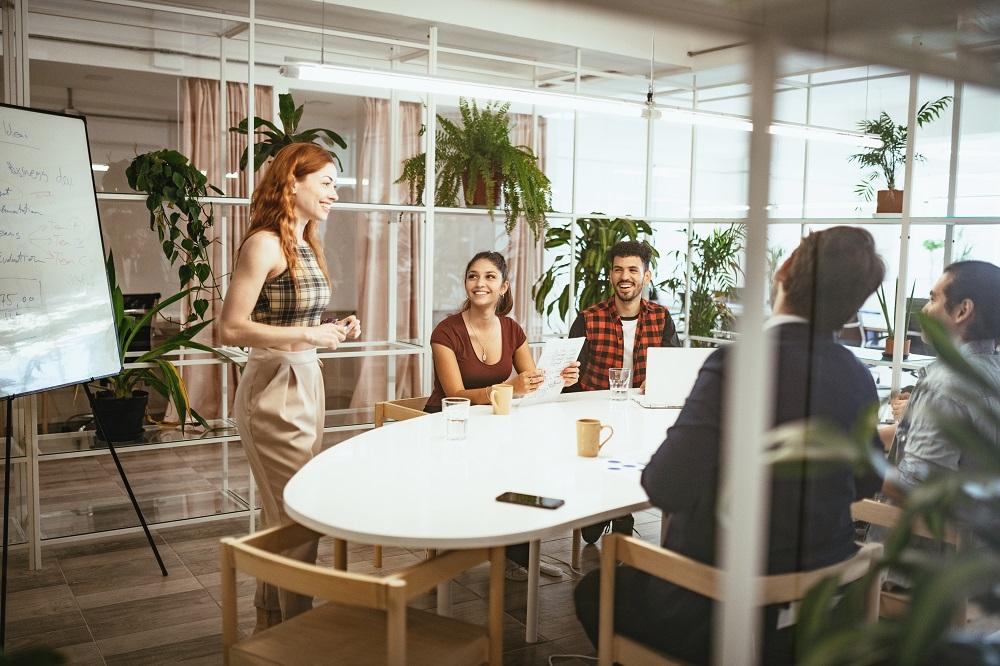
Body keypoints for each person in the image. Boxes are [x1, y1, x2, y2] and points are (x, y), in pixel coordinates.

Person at [574, 226, 886, 664]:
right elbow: (866, 478)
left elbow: (664, 486)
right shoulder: (856, 374)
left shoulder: (739, 363)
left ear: (782, 273)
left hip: (719, 608)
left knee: (595, 589)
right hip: (818, 611)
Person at [219, 143, 361, 631]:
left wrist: (332, 326)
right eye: (326, 183)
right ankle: (299, 634)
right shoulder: (263, 243)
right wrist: (309, 334)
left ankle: (273, 625)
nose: (335, 195)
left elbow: (293, 314)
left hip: (305, 378)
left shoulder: (304, 241)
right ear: (293, 183)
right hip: (274, 385)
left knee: (286, 512)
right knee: (299, 512)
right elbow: (231, 328)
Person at [427, 251, 579, 580]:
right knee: (494, 469)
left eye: (489, 277)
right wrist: (509, 387)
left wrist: (559, 378)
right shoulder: (445, 332)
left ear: (504, 287)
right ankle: (462, 551)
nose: (480, 283)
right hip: (448, 423)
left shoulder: (512, 329)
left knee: (528, 466)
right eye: (473, 276)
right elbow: (455, 394)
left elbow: (531, 383)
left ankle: (519, 556)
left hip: (493, 421)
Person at [567, 240, 680, 544]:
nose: (624, 276)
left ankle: (619, 512)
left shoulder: (661, 317)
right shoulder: (589, 318)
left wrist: (657, 382)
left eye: (633, 269)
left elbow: (672, 367)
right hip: (596, 413)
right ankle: (602, 509)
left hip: (640, 413)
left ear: (647, 276)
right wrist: (566, 378)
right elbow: (572, 378)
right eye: (618, 269)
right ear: (611, 275)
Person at [881, 260, 1000, 498]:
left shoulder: (944, 386)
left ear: (962, 311)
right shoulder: (991, 371)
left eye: (933, 299)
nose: (924, 310)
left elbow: (913, 487)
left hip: (930, 533)